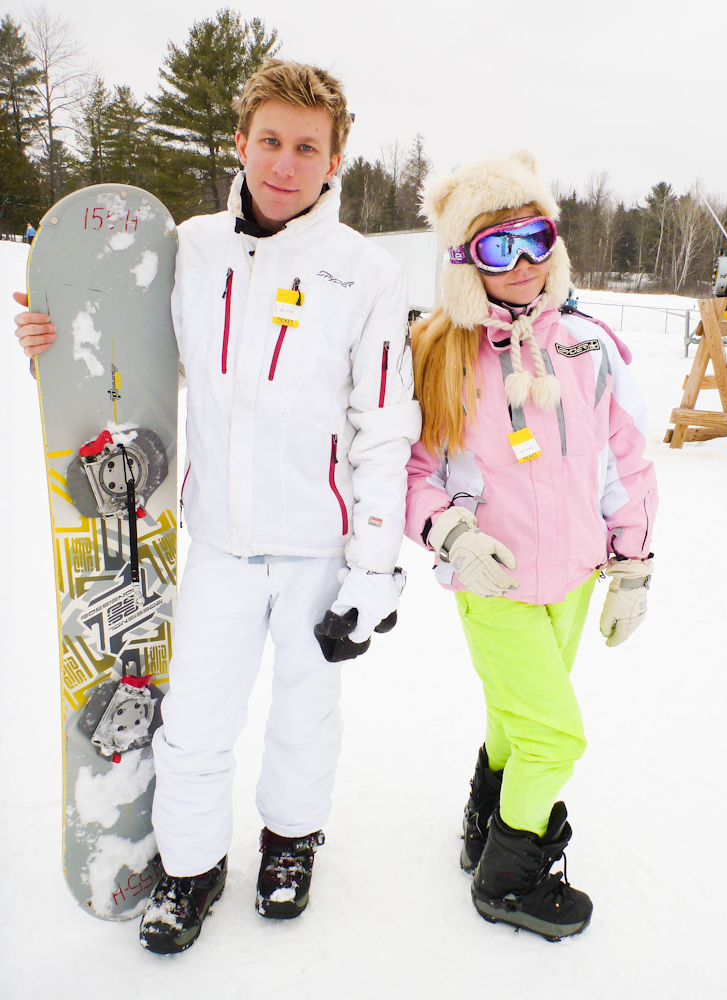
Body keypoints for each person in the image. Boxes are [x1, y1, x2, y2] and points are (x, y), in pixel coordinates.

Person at [13, 59, 421, 954]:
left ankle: (289, 842)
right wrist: (54, 334)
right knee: (193, 718)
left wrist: (374, 568)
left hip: (320, 546)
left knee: (306, 715)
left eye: (306, 147)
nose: (284, 163)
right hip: (221, 547)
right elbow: (124, 345)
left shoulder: (367, 274)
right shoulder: (188, 248)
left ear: (335, 159)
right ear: (240, 143)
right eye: (269, 140)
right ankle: (191, 866)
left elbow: (385, 427)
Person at [404, 150, 657, 941]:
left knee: (517, 718)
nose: (521, 264)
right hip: (494, 579)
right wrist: (451, 532)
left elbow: (627, 460)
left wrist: (632, 565)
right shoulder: (441, 350)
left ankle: (488, 818)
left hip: (576, 577)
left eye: (535, 239)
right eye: (495, 247)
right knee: (556, 734)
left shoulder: (587, 346)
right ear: (461, 261)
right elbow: (411, 469)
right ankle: (511, 876)